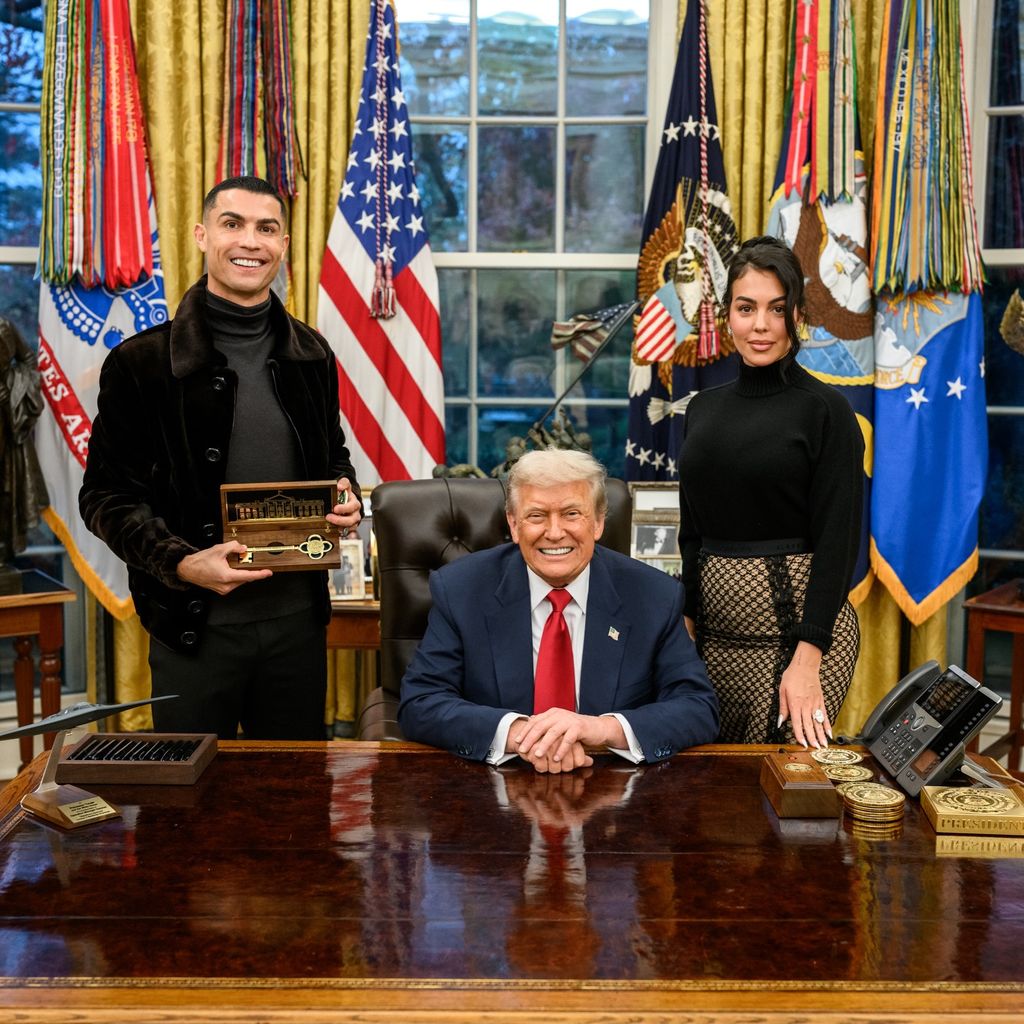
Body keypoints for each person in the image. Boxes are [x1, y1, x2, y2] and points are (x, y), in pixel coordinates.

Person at [79, 175, 362, 740]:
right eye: (233, 224)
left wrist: (344, 492)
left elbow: (332, 455)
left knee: (292, 807)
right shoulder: (141, 363)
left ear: (283, 245)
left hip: (297, 628)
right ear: (203, 235)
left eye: (267, 228)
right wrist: (181, 564)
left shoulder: (311, 354)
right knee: (190, 813)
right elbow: (105, 498)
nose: (250, 242)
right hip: (192, 627)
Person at [398, 448, 719, 773]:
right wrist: (520, 734)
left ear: (597, 522)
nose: (554, 533)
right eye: (536, 516)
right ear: (513, 524)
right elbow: (421, 701)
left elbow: (697, 707)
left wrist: (601, 729)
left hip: (612, 795)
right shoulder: (461, 589)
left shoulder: (653, 596)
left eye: (571, 514)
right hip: (493, 789)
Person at [678, 236, 864, 749]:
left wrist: (809, 658)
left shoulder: (827, 411)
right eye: (746, 308)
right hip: (710, 641)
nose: (760, 325)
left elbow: (838, 544)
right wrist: (685, 629)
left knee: (775, 798)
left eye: (776, 309)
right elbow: (691, 535)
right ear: (727, 315)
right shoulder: (701, 410)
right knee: (703, 797)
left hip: (800, 641)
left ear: (797, 316)